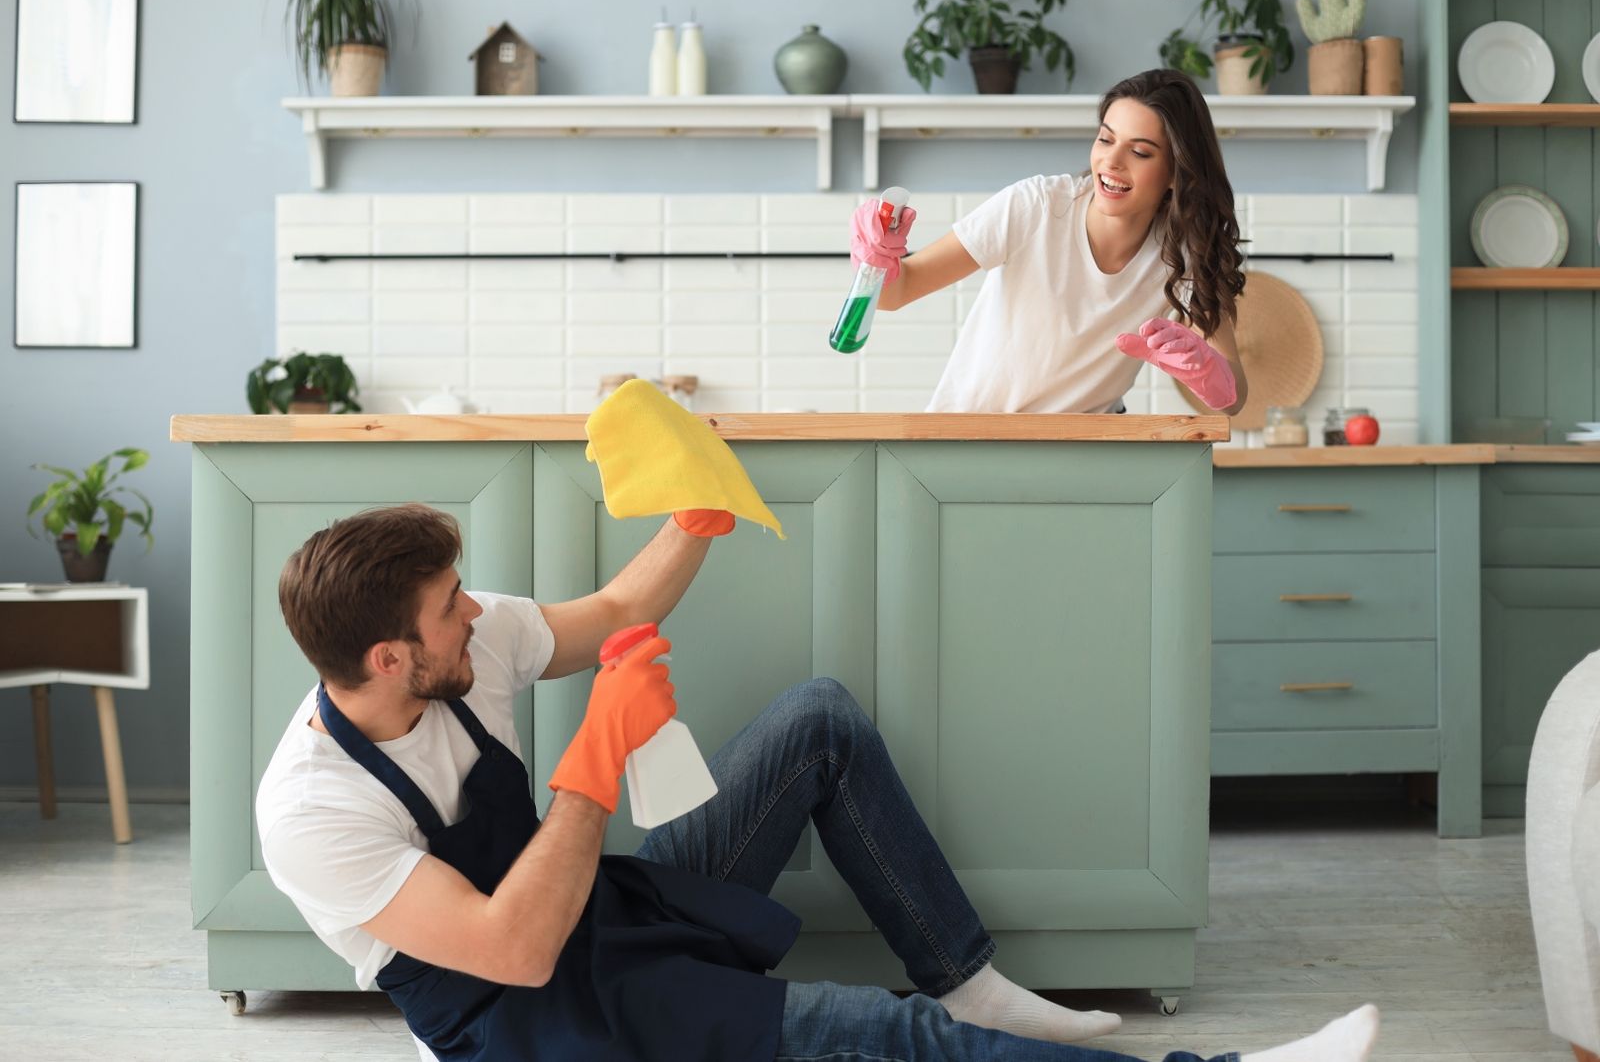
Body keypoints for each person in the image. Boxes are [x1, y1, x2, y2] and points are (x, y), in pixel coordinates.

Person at [257, 501, 1379, 1062]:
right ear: (389, 659)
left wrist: (699, 510)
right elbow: (515, 949)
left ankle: (969, 979)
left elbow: (614, 609)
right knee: (877, 1034)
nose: (476, 611)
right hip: (541, 1019)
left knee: (817, 722)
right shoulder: (313, 808)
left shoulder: (460, 644)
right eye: (451, 606)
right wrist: (594, 757)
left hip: (598, 907)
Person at [850, 68, 1249, 418]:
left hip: (1080, 454)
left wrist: (1211, 374)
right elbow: (896, 293)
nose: (1111, 162)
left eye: (1140, 152)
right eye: (1106, 140)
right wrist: (877, 265)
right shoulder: (1035, 207)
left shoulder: (1184, 256)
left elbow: (1235, 398)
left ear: (1176, 173)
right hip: (967, 435)